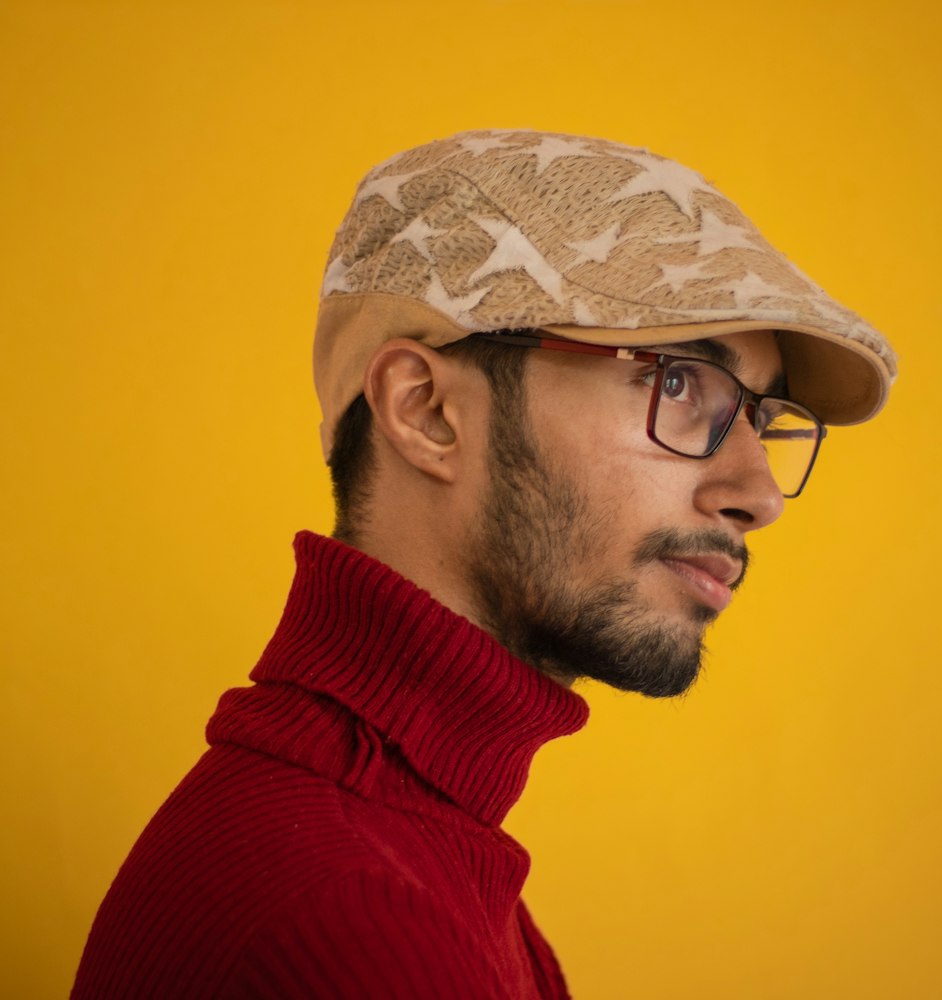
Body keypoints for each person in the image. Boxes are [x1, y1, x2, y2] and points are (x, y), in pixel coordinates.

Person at [72, 129, 896, 999]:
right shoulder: (354, 917)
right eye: (681, 384)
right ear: (426, 412)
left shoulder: (414, 849)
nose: (757, 493)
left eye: (763, 423)